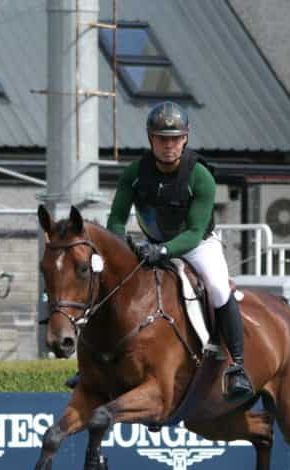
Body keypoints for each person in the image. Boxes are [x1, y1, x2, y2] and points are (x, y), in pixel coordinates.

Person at [104, 101, 254, 400]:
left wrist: (162, 251)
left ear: (185, 138)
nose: (169, 145)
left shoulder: (200, 177)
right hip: (151, 246)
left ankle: (236, 367)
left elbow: (195, 232)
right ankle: (98, 361)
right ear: (151, 139)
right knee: (113, 285)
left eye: (175, 138)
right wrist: (119, 248)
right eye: (162, 138)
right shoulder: (134, 173)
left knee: (217, 288)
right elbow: (117, 220)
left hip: (196, 246)